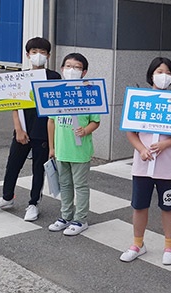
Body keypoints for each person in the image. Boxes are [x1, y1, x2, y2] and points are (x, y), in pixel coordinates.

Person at [0, 37, 62, 221]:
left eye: (42, 52)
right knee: (13, 165)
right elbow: (14, 105)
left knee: (39, 169)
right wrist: (18, 129)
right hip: (23, 130)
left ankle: (33, 203)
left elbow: (67, 95)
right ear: (28, 55)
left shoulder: (54, 77)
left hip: (43, 132)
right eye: (34, 52)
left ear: (48, 55)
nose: (38, 56)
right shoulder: (21, 76)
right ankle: (7, 197)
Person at [119, 57, 171, 265]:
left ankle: (169, 246)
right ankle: (138, 243)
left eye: (167, 72)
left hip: (167, 166)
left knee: (168, 206)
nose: (163, 76)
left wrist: (165, 145)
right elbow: (131, 132)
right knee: (139, 206)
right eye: (159, 71)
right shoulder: (140, 100)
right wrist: (141, 149)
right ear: (150, 75)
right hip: (142, 165)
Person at [47, 53, 100, 236]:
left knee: (80, 186)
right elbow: (51, 121)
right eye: (68, 66)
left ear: (84, 72)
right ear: (62, 69)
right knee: (65, 185)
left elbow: (96, 121)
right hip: (61, 150)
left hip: (80, 151)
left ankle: (81, 219)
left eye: (77, 67)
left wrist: (85, 130)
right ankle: (65, 216)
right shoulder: (57, 91)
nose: (72, 70)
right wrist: (52, 147)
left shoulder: (89, 92)